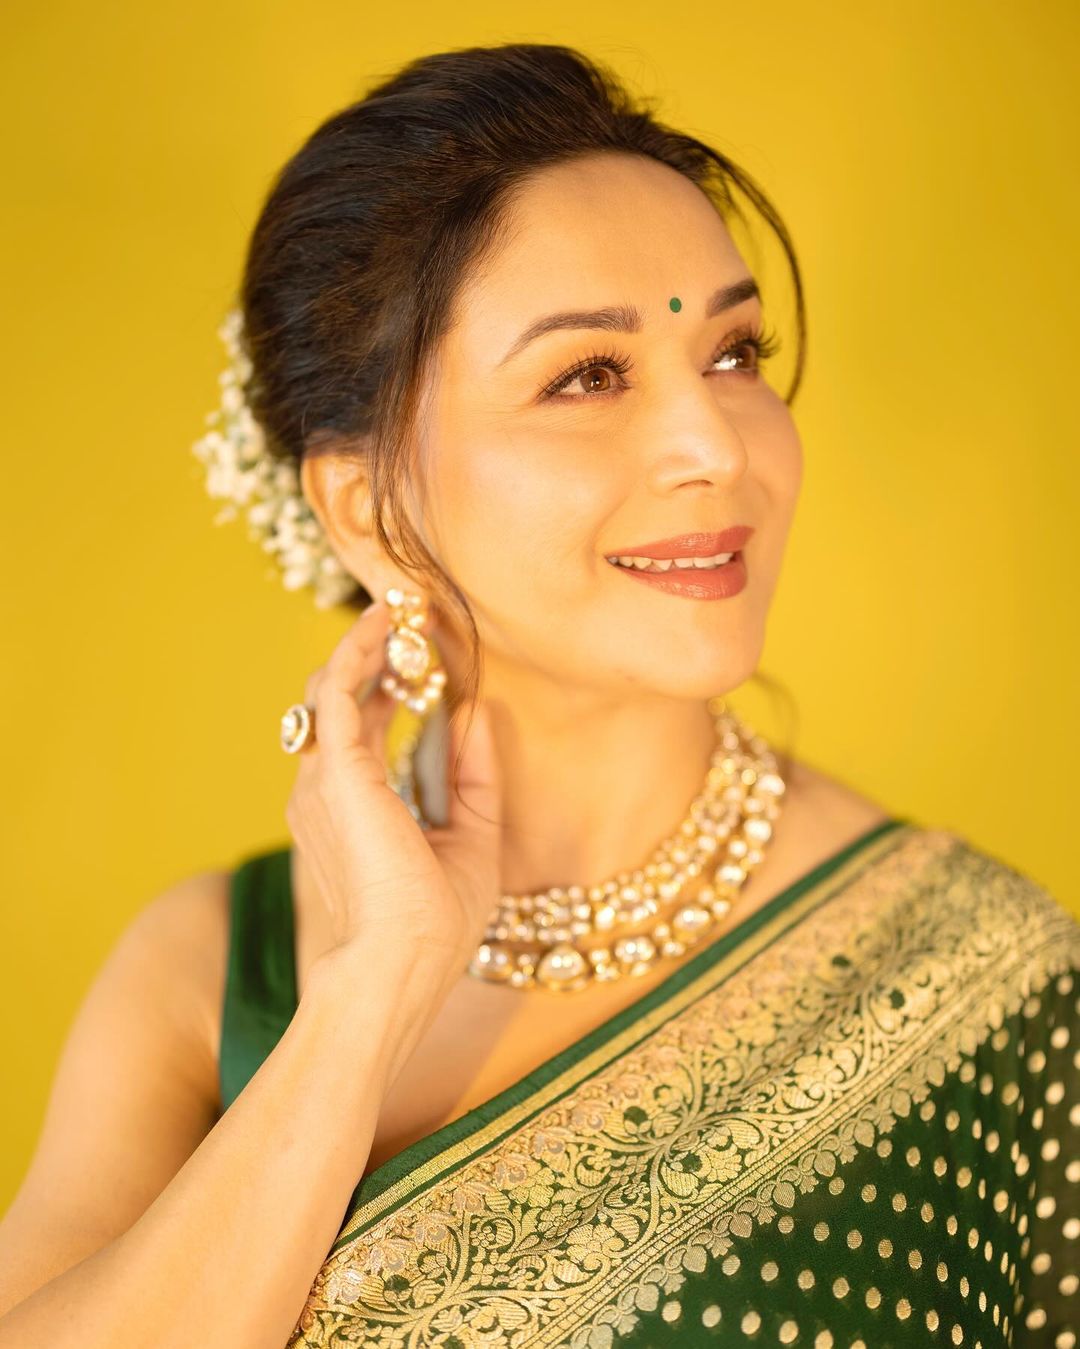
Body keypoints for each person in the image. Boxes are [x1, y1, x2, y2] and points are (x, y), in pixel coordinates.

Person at [1, 41, 1076, 1349]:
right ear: (367, 508)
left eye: (734, 353)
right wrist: (369, 996)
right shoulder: (214, 970)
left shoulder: (985, 984)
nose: (714, 445)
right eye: (588, 376)